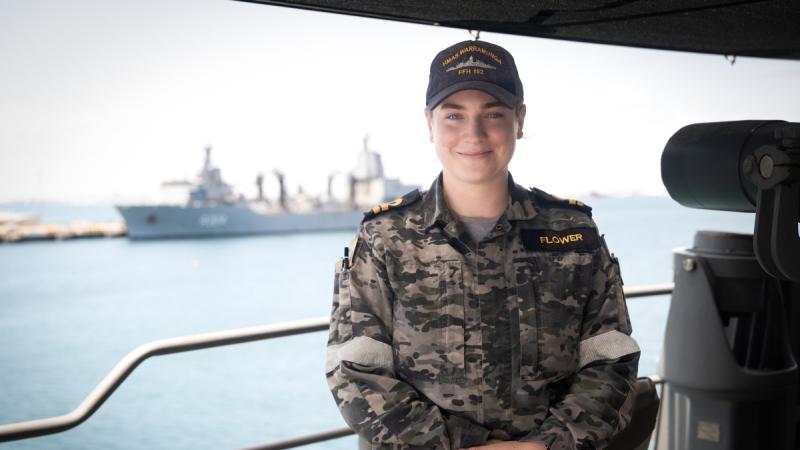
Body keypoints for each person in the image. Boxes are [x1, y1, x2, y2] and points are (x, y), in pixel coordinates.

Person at [326, 39, 640, 450]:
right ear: (429, 123)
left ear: (519, 120)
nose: (473, 134)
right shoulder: (384, 236)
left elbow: (611, 360)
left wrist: (545, 444)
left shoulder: (574, 233)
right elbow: (355, 370)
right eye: (454, 115)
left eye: (493, 114)